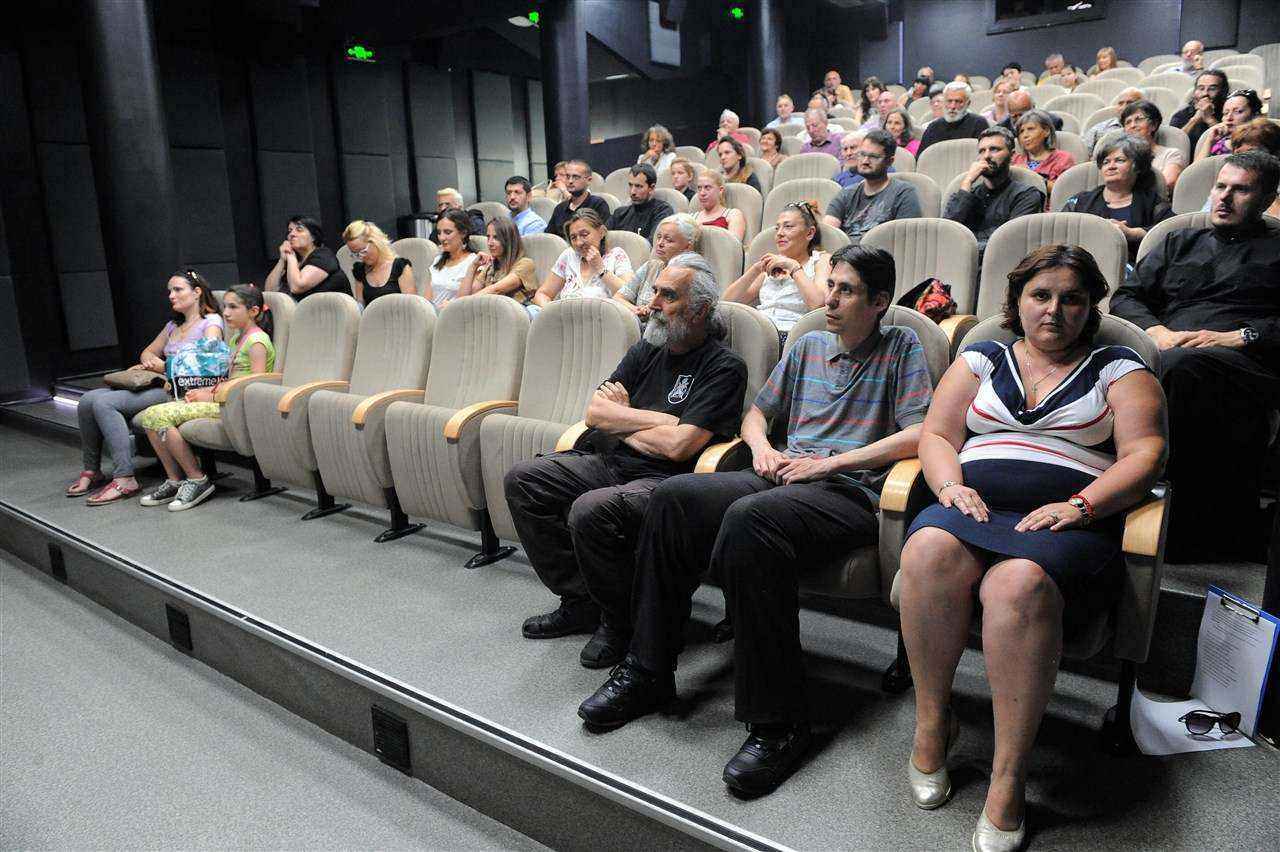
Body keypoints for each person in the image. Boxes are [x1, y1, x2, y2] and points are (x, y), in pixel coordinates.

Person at [577, 245, 933, 798]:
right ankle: (648, 670)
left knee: (749, 519)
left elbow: (918, 433)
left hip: (846, 489)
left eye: (846, 291)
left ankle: (778, 722)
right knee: (674, 497)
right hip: (782, 474)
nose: (830, 299)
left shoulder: (901, 346)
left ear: (879, 302)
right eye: (830, 285)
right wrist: (763, 447)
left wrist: (832, 463)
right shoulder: (809, 344)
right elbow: (757, 413)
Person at [898, 244, 1166, 852]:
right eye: (1040, 295)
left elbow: (1146, 454)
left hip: (1069, 524)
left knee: (1015, 583)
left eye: (1072, 299)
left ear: (1091, 307)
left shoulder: (1119, 366)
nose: (1054, 310)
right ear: (1016, 301)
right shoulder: (982, 356)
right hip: (973, 505)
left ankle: (1008, 776)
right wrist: (950, 486)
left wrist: (1081, 506)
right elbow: (937, 433)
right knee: (928, 550)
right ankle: (933, 723)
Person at [505, 252, 747, 667]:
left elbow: (679, 448)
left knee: (590, 510)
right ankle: (581, 599)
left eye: (668, 296)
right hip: (610, 461)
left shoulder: (725, 367)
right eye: (655, 292)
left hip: (666, 480)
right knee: (524, 480)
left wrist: (625, 418)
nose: (653, 304)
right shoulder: (646, 349)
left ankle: (619, 622)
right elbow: (595, 413)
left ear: (699, 310)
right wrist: (659, 420)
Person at [1110, 150, 1280, 561]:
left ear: (1267, 198)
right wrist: (1158, 332)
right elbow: (1127, 297)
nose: (1224, 197)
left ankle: (1172, 525)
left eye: (1240, 190)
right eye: (1221, 186)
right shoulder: (1178, 241)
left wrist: (1241, 336)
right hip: (1170, 348)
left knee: (1180, 368)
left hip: (1247, 361)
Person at [69, 271, 225, 505]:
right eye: (170, 291)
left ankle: (124, 477)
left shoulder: (211, 322)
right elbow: (148, 352)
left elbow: (208, 362)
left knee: (104, 403)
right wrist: (154, 363)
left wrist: (166, 366)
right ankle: (92, 470)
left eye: (178, 290)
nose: (171, 296)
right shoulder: (173, 325)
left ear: (197, 292)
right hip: (161, 381)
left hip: (179, 389)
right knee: (88, 399)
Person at [134, 284, 276, 512]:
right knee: (150, 418)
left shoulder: (257, 341)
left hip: (235, 406)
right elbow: (227, 378)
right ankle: (175, 480)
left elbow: (255, 386)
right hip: (222, 400)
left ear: (253, 311)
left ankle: (197, 479)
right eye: (225, 307)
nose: (226, 313)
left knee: (158, 417)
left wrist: (211, 396)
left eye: (233, 307)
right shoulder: (236, 339)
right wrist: (205, 391)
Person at [724, 202, 830, 341]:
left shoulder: (820, 260)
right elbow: (727, 303)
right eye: (777, 228)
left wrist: (794, 267)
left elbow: (818, 305)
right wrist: (755, 270)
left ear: (810, 233)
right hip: (759, 333)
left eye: (788, 226)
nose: (779, 233)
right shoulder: (772, 265)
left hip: (794, 335)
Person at [1063, 135, 1173, 261]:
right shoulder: (1080, 200)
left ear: (1137, 167)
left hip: (1133, 268)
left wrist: (1133, 233)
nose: (1111, 166)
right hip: (1081, 265)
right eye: (1106, 162)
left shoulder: (1151, 202)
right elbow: (1061, 232)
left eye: (1119, 160)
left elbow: (1173, 230)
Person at [944, 127, 1045, 256]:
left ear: (1012, 155)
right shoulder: (966, 194)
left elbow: (1011, 240)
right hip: (960, 261)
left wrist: (963, 249)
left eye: (994, 149)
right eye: (982, 151)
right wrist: (967, 181)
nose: (986, 156)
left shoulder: (1026, 195)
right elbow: (947, 233)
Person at [823, 129, 922, 244]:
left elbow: (905, 241)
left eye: (874, 157)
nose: (865, 161)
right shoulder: (846, 194)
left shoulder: (903, 193)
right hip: (844, 252)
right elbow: (828, 233)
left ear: (890, 161)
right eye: (862, 154)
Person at [534, 208, 634, 305]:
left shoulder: (616, 255)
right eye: (573, 238)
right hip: (567, 315)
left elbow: (630, 295)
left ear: (602, 232)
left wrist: (601, 269)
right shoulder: (569, 255)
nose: (579, 243)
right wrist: (552, 311)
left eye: (584, 235)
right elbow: (542, 294)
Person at [615, 214, 701, 320]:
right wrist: (636, 310)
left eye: (668, 240)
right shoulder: (650, 266)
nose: (660, 243)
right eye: (659, 237)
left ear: (687, 246)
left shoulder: (691, 277)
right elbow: (618, 297)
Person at [263, 215, 350, 300]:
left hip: (333, 308)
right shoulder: (294, 262)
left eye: (299, 230)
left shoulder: (324, 255)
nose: (291, 234)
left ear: (313, 237)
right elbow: (270, 292)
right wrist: (281, 260)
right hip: (307, 308)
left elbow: (297, 287)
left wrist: (290, 255)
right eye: (290, 231)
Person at [458, 216, 539, 306]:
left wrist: (461, 304)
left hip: (516, 312)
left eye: (496, 237)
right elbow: (466, 296)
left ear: (509, 240)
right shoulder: (490, 266)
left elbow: (496, 290)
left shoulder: (525, 264)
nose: (489, 243)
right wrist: (473, 266)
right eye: (488, 237)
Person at [343, 220, 416, 306]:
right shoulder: (360, 271)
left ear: (375, 242)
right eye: (355, 254)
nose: (360, 257)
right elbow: (361, 306)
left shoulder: (399, 267)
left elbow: (411, 306)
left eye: (363, 251)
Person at [1012, 109, 1076, 200]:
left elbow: (1065, 192)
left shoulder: (1064, 159)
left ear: (1046, 131)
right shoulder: (1015, 160)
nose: (1025, 135)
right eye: (1021, 131)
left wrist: (1030, 176)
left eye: (1031, 129)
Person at [1120, 100, 1185, 190]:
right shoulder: (1119, 156)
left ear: (1153, 125)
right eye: (1128, 122)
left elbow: (1167, 183)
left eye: (1139, 120)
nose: (1132, 125)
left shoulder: (1171, 154)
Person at [606, 164, 675, 241]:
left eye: (638, 186)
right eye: (630, 185)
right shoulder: (619, 213)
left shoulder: (662, 211)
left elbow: (654, 242)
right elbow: (602, 238)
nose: (632, 192)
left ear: (651, 188)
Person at [544, 159, 611, 237]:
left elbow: (602, 235)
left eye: (575, 177)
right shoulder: (560, 208)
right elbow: (549, 237)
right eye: (567, 176)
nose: (570, 181)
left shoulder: (598, 204)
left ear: (589, 180)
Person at [918, 83, 989, 155]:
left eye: (958, 101)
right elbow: (921, 158)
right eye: (949, 101)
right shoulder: (933, 127)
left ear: (968, 103)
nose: (952, 106)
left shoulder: (979, 124)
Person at [426, 209, 476, 308]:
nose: (442, 238)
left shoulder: (474, 262)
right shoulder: (437, 260)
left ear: (463, 233)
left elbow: (470, 302)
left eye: (447, 232)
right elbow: (426, 300)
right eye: (439, 232)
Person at [1169, 70, 1227, 154]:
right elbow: (1172, 145)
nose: (1205, 93)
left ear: (1223, 92)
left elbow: (1230, 144)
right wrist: (1194, 120)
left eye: (1212, 89)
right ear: (1194, 92)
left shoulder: (1229, 113)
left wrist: (1210, 119)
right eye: (1201, 88)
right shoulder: (1181, 115)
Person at [1198, 89, 1264, 160]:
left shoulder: (1265, 143)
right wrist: (1210, 141)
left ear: (1255, 115)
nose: (1229, 118)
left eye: (1238, 111)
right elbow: (1197, 166)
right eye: (1225, 113)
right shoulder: (1215, 141)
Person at [1081, 87, 1145, 153]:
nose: (1124, 107)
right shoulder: (1099, 129)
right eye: (1120, 103)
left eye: (1129, 103)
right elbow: (1084, 154)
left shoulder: (1147, 128)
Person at [692, 170, 748, 243]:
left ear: (720, 190)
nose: (702, 193)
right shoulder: (692, 218)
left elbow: (734, 245)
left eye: (707, 188)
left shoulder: (733, 214)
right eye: (699, 188)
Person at [998, 90, 1063, 134]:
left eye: (1022, 115)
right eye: (1014, 116)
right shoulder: (1002, 128)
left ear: (1033, 109)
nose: (1019, 120)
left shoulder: (1053, 122)